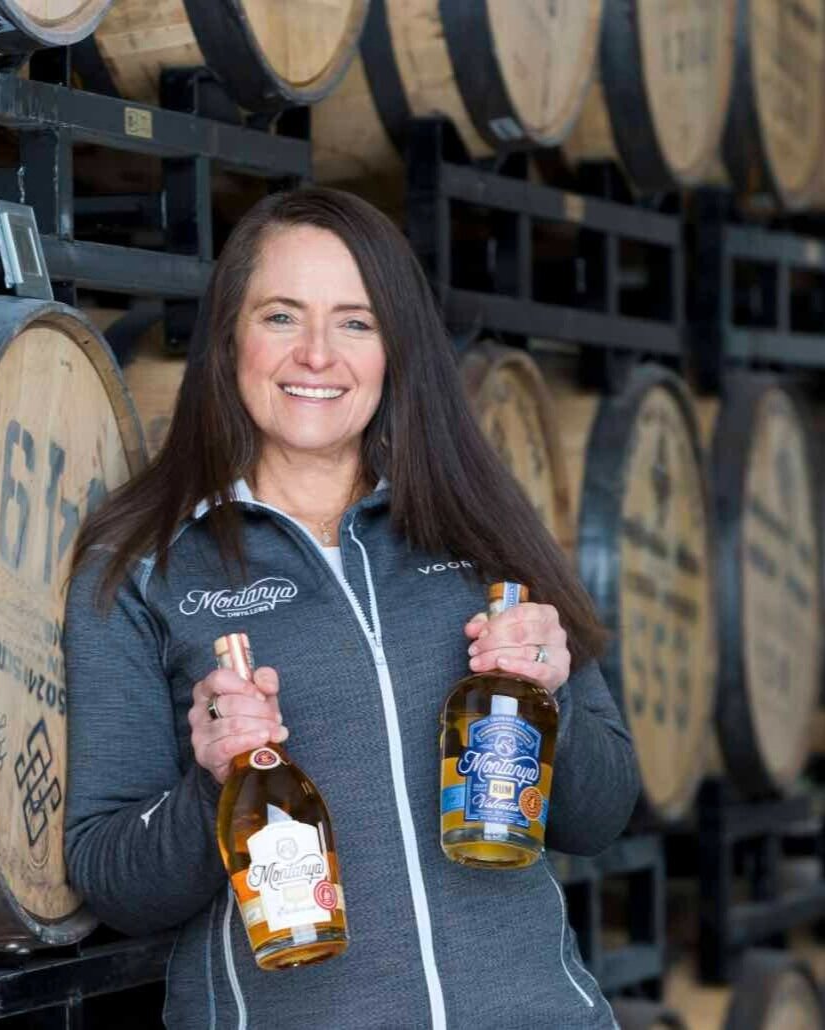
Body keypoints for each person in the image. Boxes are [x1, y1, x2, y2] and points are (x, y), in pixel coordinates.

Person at [64, 186, 640, 1029]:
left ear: (396, 350)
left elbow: (600, 814)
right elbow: (113, 879)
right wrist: (213, 785)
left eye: (356, 323)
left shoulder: (484, 532)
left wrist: (552, 699)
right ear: (229, 338)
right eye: (282, 317)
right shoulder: (143, 565)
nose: (318, 356)